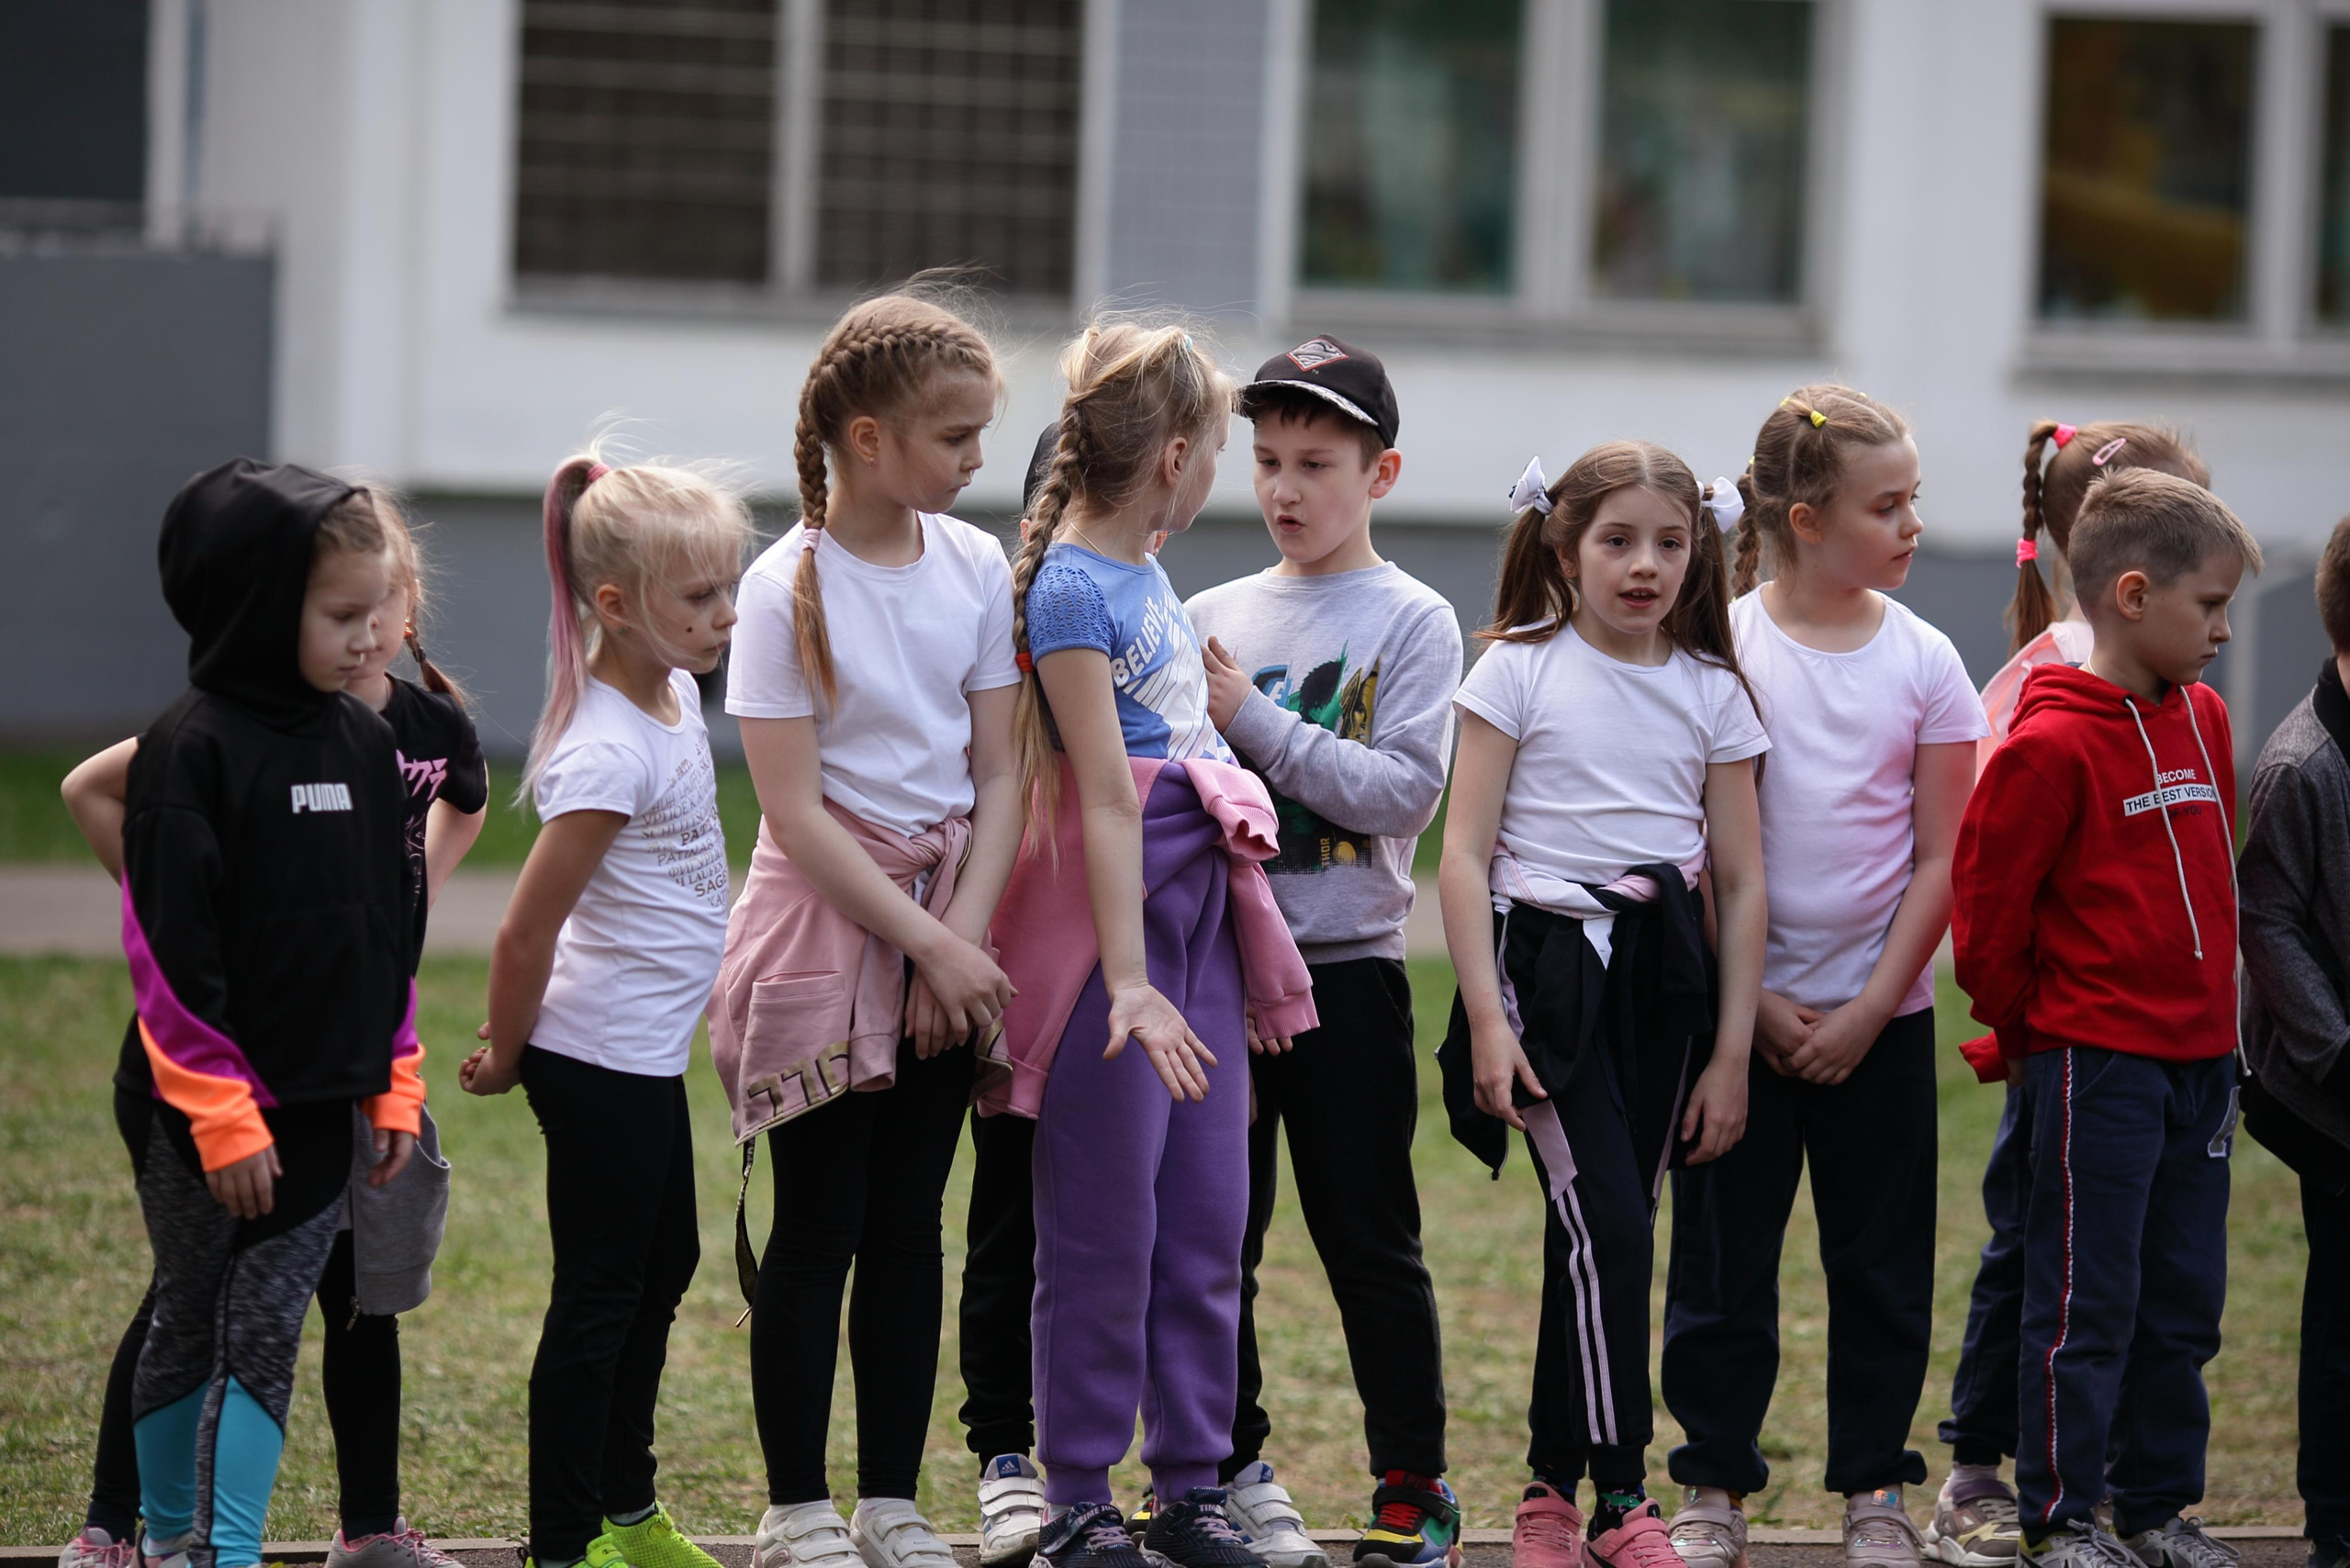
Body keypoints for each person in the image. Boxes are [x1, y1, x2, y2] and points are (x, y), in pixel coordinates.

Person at [56, 494, 486, 1568]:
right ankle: (165, 1540)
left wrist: (391, 1081)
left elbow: (380, 931)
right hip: (194, 1110)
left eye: (375, 610)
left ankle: (228, 1554)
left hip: (325, 1099)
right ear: (257, 605)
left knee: (265, 1340)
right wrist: (219, 1112)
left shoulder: (359, 735)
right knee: (193, 1316)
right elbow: (168, 954)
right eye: (339, 613)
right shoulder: (187, 748)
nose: (366, 636)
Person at [975, 319, 1317, 1568]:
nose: (1223, 467)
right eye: (1223, 446)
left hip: (1198, 928)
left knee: (1206, 1219)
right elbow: (1107, 792)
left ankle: (1189, 1488)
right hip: (1113, 945)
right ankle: (1073, 1495)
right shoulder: (1068, 587)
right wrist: (1128, 983)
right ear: (1175, 456)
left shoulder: (1146, 578)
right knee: (1102, 1234)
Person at [704, 294, 1024, 1568]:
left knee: (909, 1228)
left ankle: (892, 1501)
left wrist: (963, 939)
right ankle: (796, 1511)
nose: (974, 462)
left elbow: (1000, 778)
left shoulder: (979, 565)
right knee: (819, 1225)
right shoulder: (784, 587)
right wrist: (928, 944)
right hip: (829, 936)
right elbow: (792, 809)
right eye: (955, 437)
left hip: (949, 924)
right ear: (871, 437)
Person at [1660, 388, 1984, 1568]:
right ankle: (1710, 1482)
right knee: (1721, 1265)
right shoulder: (1719, 648)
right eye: (1884, 505)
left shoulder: (1928, 661)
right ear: (1803, 519)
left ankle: (1874, 1492)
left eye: (1913, 502)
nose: (1908, 526)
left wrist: (1864, 1008)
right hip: (1738, 1029)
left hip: (1878, 1026)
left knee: (1881, 1269)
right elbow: (1689, 845)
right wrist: (1755, 1010)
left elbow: (1945, 855)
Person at [1437, 441, 1766, 1568]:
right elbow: (1460, 857)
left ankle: (1545, 1496)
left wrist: (1731, 1054)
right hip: (1546, 974)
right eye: (1617, 540)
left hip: (1666, 980)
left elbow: (1739, 880)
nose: (1645, 565)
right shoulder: (1516, 669)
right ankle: (1623, 1494)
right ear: (1565, 547)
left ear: (1699, 550)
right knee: (1610, 1232)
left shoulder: (1714, 689)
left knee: (1595, 1242)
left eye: (1669, 542)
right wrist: (1486, 1016)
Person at [1181, 334, 1464, 1568]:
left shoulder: (1414, 618)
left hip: (1347, 978)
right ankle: (1226, 1467)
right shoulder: (1206, 614)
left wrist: (1255, 721)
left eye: (1319, 462)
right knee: (1212, 1240)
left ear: (1382, 473)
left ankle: (1411, 1483)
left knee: (1368, 1236)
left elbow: (1402, 793)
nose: (1287, 489)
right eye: (1270, 461)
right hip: (1219, 975)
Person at [1952, 469, 2260, 1568]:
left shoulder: (2206, 716)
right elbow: (1985, 921)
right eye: (2208, 606)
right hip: (2097, 1066)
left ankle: (2154, 1507)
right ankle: (2062, 1515)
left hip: (2199, 1064)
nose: (2223, 630)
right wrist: (2041, 1029)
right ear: (2132, 595)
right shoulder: (2046, 745)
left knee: (2182, 1299)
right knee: (2086, 1298)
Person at [460, 454, 753, 1568]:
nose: (724, 616)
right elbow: (523, 931)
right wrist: (507, 1048)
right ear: (616, 605)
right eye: (699, 597)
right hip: (589, 1059)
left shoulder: (669, 693)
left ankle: (629, 1515)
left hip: (642, 1056)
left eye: (729, 589)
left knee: (663, 1266)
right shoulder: (603, 749)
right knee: (600, 1298)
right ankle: (565, 1539)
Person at [2236, 515, 2350, 1568]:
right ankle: (2333, 1518)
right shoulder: (2300, 765)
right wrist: (2337, 1048)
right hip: (2328, 1090)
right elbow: (2264, 917)